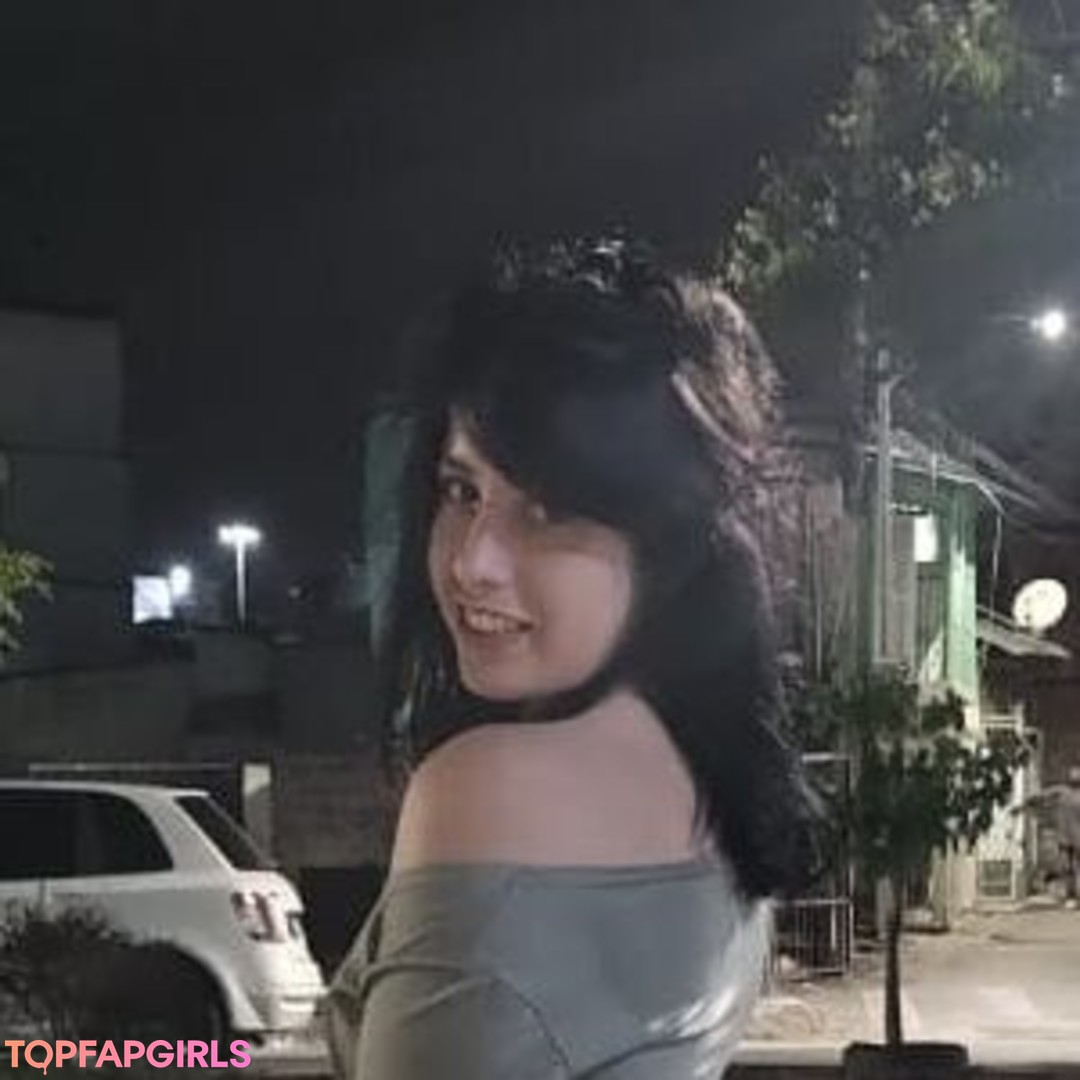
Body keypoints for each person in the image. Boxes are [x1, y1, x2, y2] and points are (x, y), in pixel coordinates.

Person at [325, 238, 818, 1078]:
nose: (472, 561)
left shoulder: (491, 787)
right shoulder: (711, 774)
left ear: (664, 541)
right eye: (461, 490)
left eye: (550, 510)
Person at [1015, 765, 1080, 907]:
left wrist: (1028, 801)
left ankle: (1073, 896)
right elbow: (1043, 795)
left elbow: (1043, 795)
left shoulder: (1063, 792)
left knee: (1070, 868)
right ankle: (1072, 895)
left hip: (1070, 837)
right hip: (1067, 837)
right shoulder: (1062, 791)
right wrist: (1029, 801)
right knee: (1068, 867)